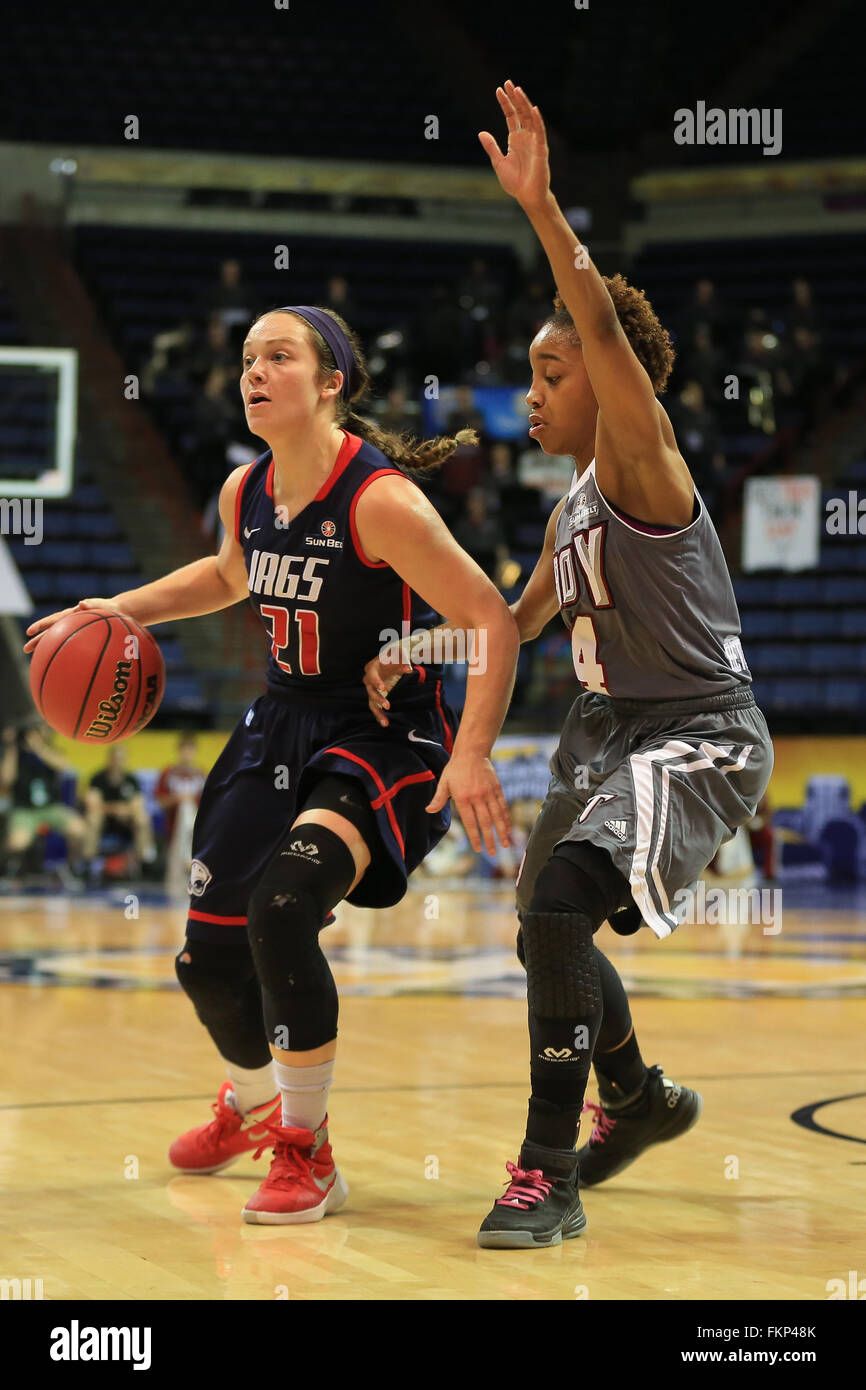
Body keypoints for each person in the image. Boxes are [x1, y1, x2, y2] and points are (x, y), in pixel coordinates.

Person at [368, 83, 773, 1249]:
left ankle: (548, 1173)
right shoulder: (571, 509)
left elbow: (596, 319)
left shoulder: (643, 463)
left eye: (550, 374)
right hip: (608, 735)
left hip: (698, 730)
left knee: (554, 909)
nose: (532, 393)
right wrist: (422, 643)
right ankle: (636, 1097)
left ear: (606, 379)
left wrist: (544, 212)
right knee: (544, 930)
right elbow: (512, 620)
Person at [25, 302, 519, 1226]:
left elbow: (491, 620)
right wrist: (118, 609)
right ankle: (253, 1108)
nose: (254, 372)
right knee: (207, 960)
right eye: (248, 358)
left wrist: (476, 750)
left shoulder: (380, 501)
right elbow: (227, 574)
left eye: (278, 357)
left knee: (282, 908)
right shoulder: (244, 491)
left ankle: (308, 1150)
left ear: (331, 383)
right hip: (280, 721)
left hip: (383, 734)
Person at [1, 721, 86, 879]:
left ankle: (75, 867)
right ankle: (13, 871)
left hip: (51, 808)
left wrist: (39, 748)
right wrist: (11, 746)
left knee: (79, 829)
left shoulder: (51, 751)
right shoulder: (16, 754)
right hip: (25, 809)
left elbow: (63, 766)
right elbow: (6, 779)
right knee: (17, 842)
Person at [84, 745, 156, 872]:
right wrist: (116, 809)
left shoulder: (132, 780)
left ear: (126, 760)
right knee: (93, 817)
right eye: (115, 758)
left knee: (142, 818)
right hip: (104, 822)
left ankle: (146, 862)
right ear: (109, 759)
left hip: (126, 823)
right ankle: (88, 862)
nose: (118, 762)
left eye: (121, 759)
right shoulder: (98, 778)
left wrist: (125, 811)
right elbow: (92, 804)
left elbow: (138, 805)